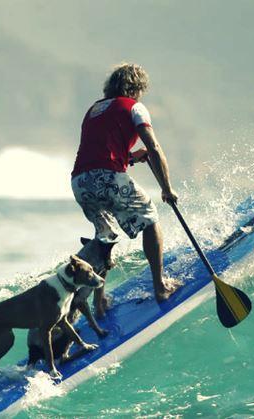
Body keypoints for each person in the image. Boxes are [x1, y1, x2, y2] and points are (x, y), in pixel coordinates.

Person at [71, 63, 180, 313]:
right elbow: (154, 148)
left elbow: (97, 154)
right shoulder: (135, 107)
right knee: (150, 219)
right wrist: (167, 188)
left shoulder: (94, 110)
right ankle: (160, 287)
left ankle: (98, 303)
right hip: (107, 176)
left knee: (105, 237)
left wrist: (130, 158)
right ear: (136, 88)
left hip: (80, 181)